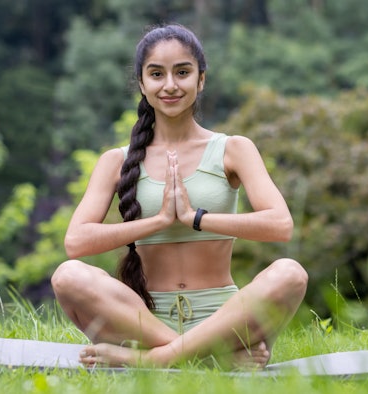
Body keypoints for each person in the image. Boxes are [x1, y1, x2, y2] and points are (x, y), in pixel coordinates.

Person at [51, 24, 308, 370]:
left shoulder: (233, 149)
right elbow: (76, 241)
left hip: (224, 318)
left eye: (182, 72)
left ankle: (155, 361)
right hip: (142, 321)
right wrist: (157, 222)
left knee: (290, 274)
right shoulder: (116, 160)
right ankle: (209, 356)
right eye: (156, 74)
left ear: (201, 80)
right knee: (68, 275)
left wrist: (194, 218)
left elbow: (280, 225)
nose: (170, 85)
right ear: (142, 84)